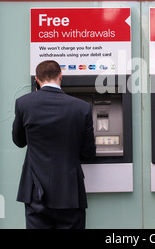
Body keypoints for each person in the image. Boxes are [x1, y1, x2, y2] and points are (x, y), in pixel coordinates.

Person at [12, 60, 96, 229]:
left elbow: (19, 141)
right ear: (60, 76)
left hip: (36, 192)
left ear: (37, 79)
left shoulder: (24, 103)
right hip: (70, 191)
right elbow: (88, 153)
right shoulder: (82, 107)